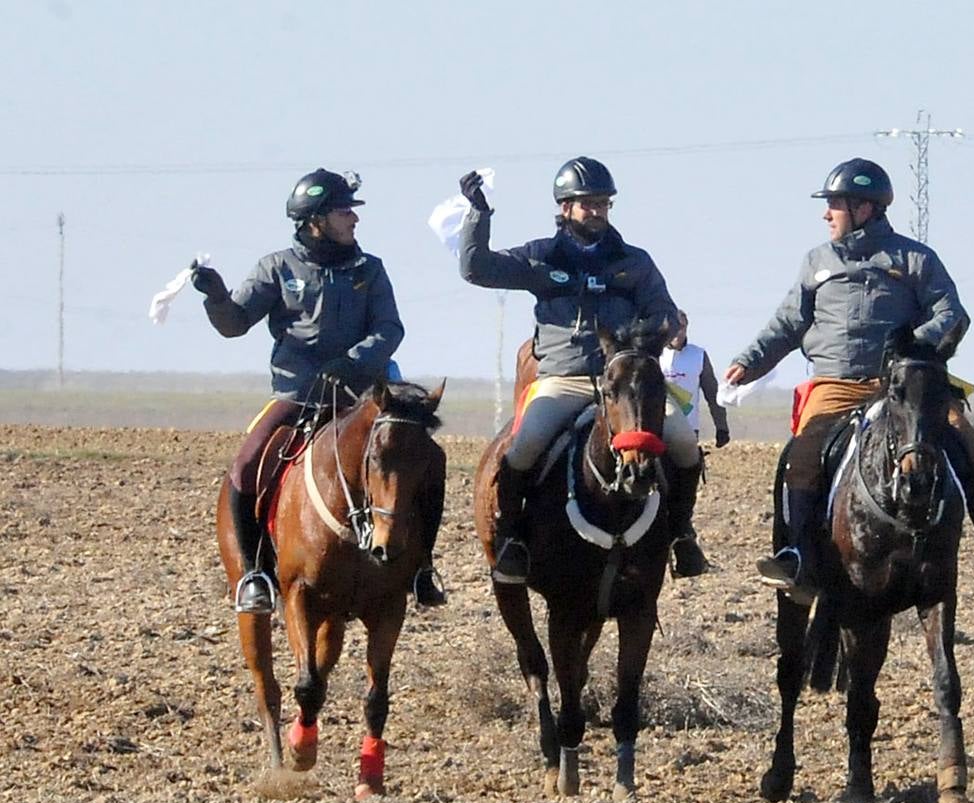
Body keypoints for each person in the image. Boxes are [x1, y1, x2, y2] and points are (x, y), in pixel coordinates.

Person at [724, 158, 974, 602]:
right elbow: (787, 324)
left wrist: (908, 349)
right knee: (799, 457)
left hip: (903, 387)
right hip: (834, 385)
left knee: (973, 450)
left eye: (835, 205)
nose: (827, 215)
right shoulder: (815, 262)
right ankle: (797, 557)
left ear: (864, 208)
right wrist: (749, 362)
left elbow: (952, 314)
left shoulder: (915, 259)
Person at [191, 168, 446, 613]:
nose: (354, 219)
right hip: (296, 396)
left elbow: (389, 328)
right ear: (317, 220)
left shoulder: (371, 270)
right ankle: (254, 575)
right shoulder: (276, 267)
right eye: (345, 211)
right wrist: (216, 297)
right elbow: (234, 325)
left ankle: (422, 568)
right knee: (246, 465)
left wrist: (354, 362)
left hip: (363, 400)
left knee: (428, 460)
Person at [457, 157, 708, 583]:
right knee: (523, 447)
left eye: (603, 204)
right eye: (586, 203)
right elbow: (475, 268)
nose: (596, 211)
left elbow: (662, 310)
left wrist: (640, 335)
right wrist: (478, 214)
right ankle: (514, 541)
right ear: (565, 208)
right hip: (563, 379)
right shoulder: (539, 257)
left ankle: (681, 537)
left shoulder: (635, 261)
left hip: (625, 386)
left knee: (684, 443)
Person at [660, 309, 731, 447]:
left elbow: (712, 394)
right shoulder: (654, 355)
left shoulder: (698, 355)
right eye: (674, 327)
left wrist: (722, 427)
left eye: (682, 327)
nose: (678, 332)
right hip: (659, 426)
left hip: (689, 428)